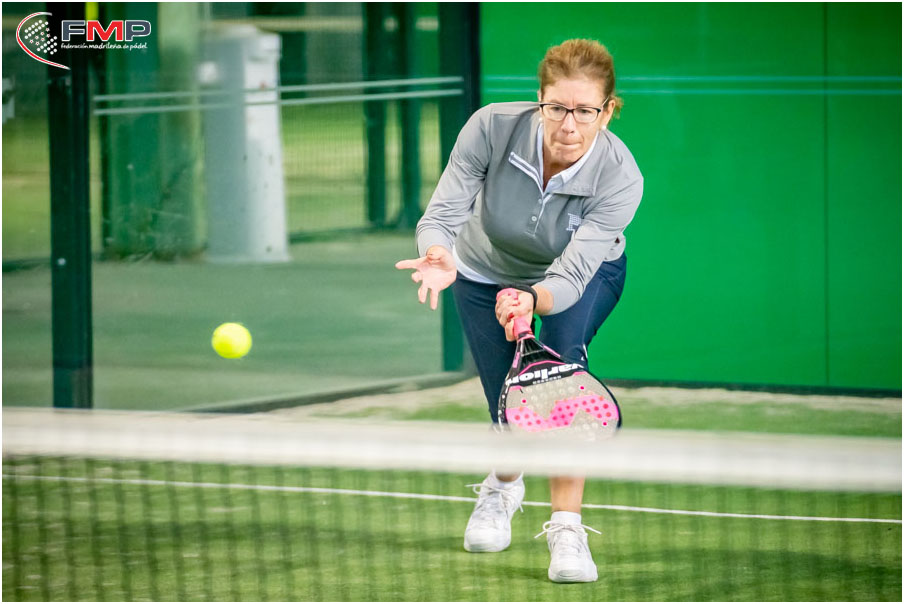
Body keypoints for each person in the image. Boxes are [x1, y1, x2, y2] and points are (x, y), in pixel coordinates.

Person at [395, 39, 643, 583]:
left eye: (585, 111)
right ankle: (504, 485)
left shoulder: (620, 176)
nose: (569, 125)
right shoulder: (491, 127)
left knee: (561, 382)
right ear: (539, 100)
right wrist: (438, 252)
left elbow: (572, 276)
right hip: (483, 270)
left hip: (581, 277)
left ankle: (567, 529)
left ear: (606, 111)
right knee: (507, 402)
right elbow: (443, 214)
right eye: (557, 107)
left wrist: (532, 298)